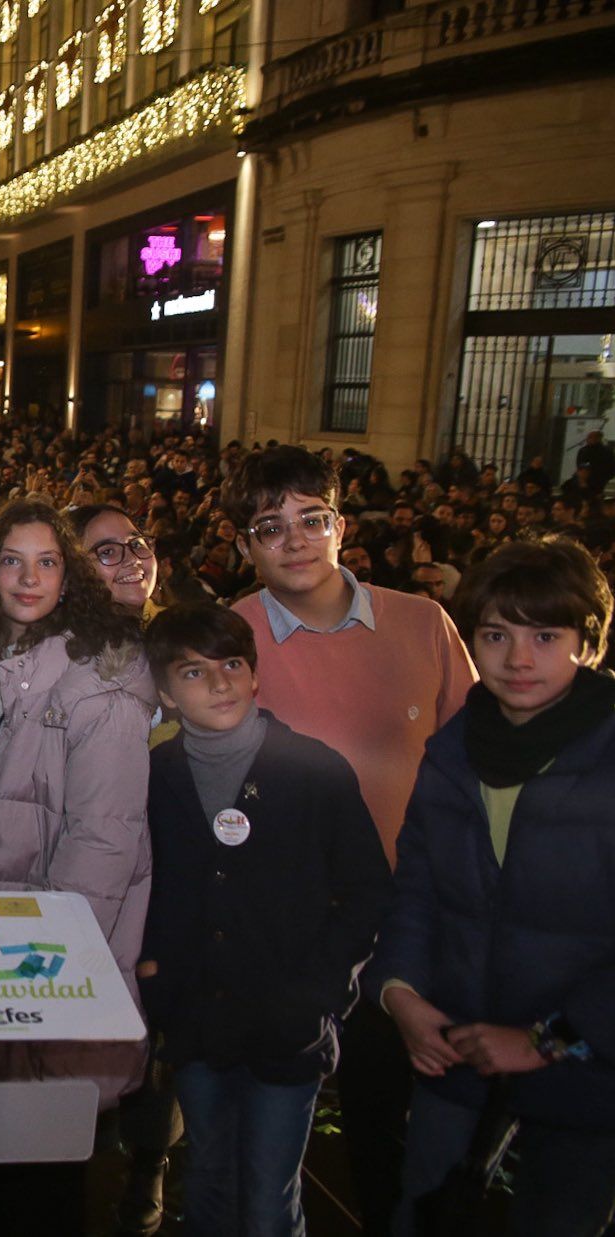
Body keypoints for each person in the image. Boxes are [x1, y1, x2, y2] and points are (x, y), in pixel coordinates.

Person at [222, 446, 475, 1235]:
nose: (294, 540)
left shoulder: (421, 622)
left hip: (407, 917)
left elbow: (472, 759)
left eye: (312, 519)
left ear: (341, 525)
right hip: (283, 923)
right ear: (244, 543)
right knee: (266, 1141)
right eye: (270, 526)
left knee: (387, 1123)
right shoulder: (231, 636)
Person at [0, 496, 154, 1234]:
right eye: (12, 560)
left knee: (34, 1143)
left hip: (38, 926)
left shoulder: (96, 676)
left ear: (69, 574)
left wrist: (50, 961)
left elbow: (103, 840)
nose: (29, 577)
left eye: (47, 561)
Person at [372, 538, 615, 1237]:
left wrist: (546, 1038)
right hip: (456, 1058)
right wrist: (401, 994)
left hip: (583, 1080)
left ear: (588, 643)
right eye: (495, 634)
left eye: (545, 635)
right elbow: (415, 886)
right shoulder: (452, 747)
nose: (516, 658)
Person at [138, 604, 391, 1237]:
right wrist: (153, 973)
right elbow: (142, 883)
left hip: (288, 1025)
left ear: (255, 676)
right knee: (210, 1185)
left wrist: (321, 991)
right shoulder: (154, 778)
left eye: (232, 665)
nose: (219, 683)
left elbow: (366, 892)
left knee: (268, 1200)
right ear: (165, 692)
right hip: (196, 1020)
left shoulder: (315, 770)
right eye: (193, 672)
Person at [72, 502, 179, 1232]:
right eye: (104, 551)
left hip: (175, 876)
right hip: (88, 876)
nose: (129, 558)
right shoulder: (58, 655)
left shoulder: (181, 645)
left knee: (159, 1031)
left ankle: (147, 1164)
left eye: (135, 544)